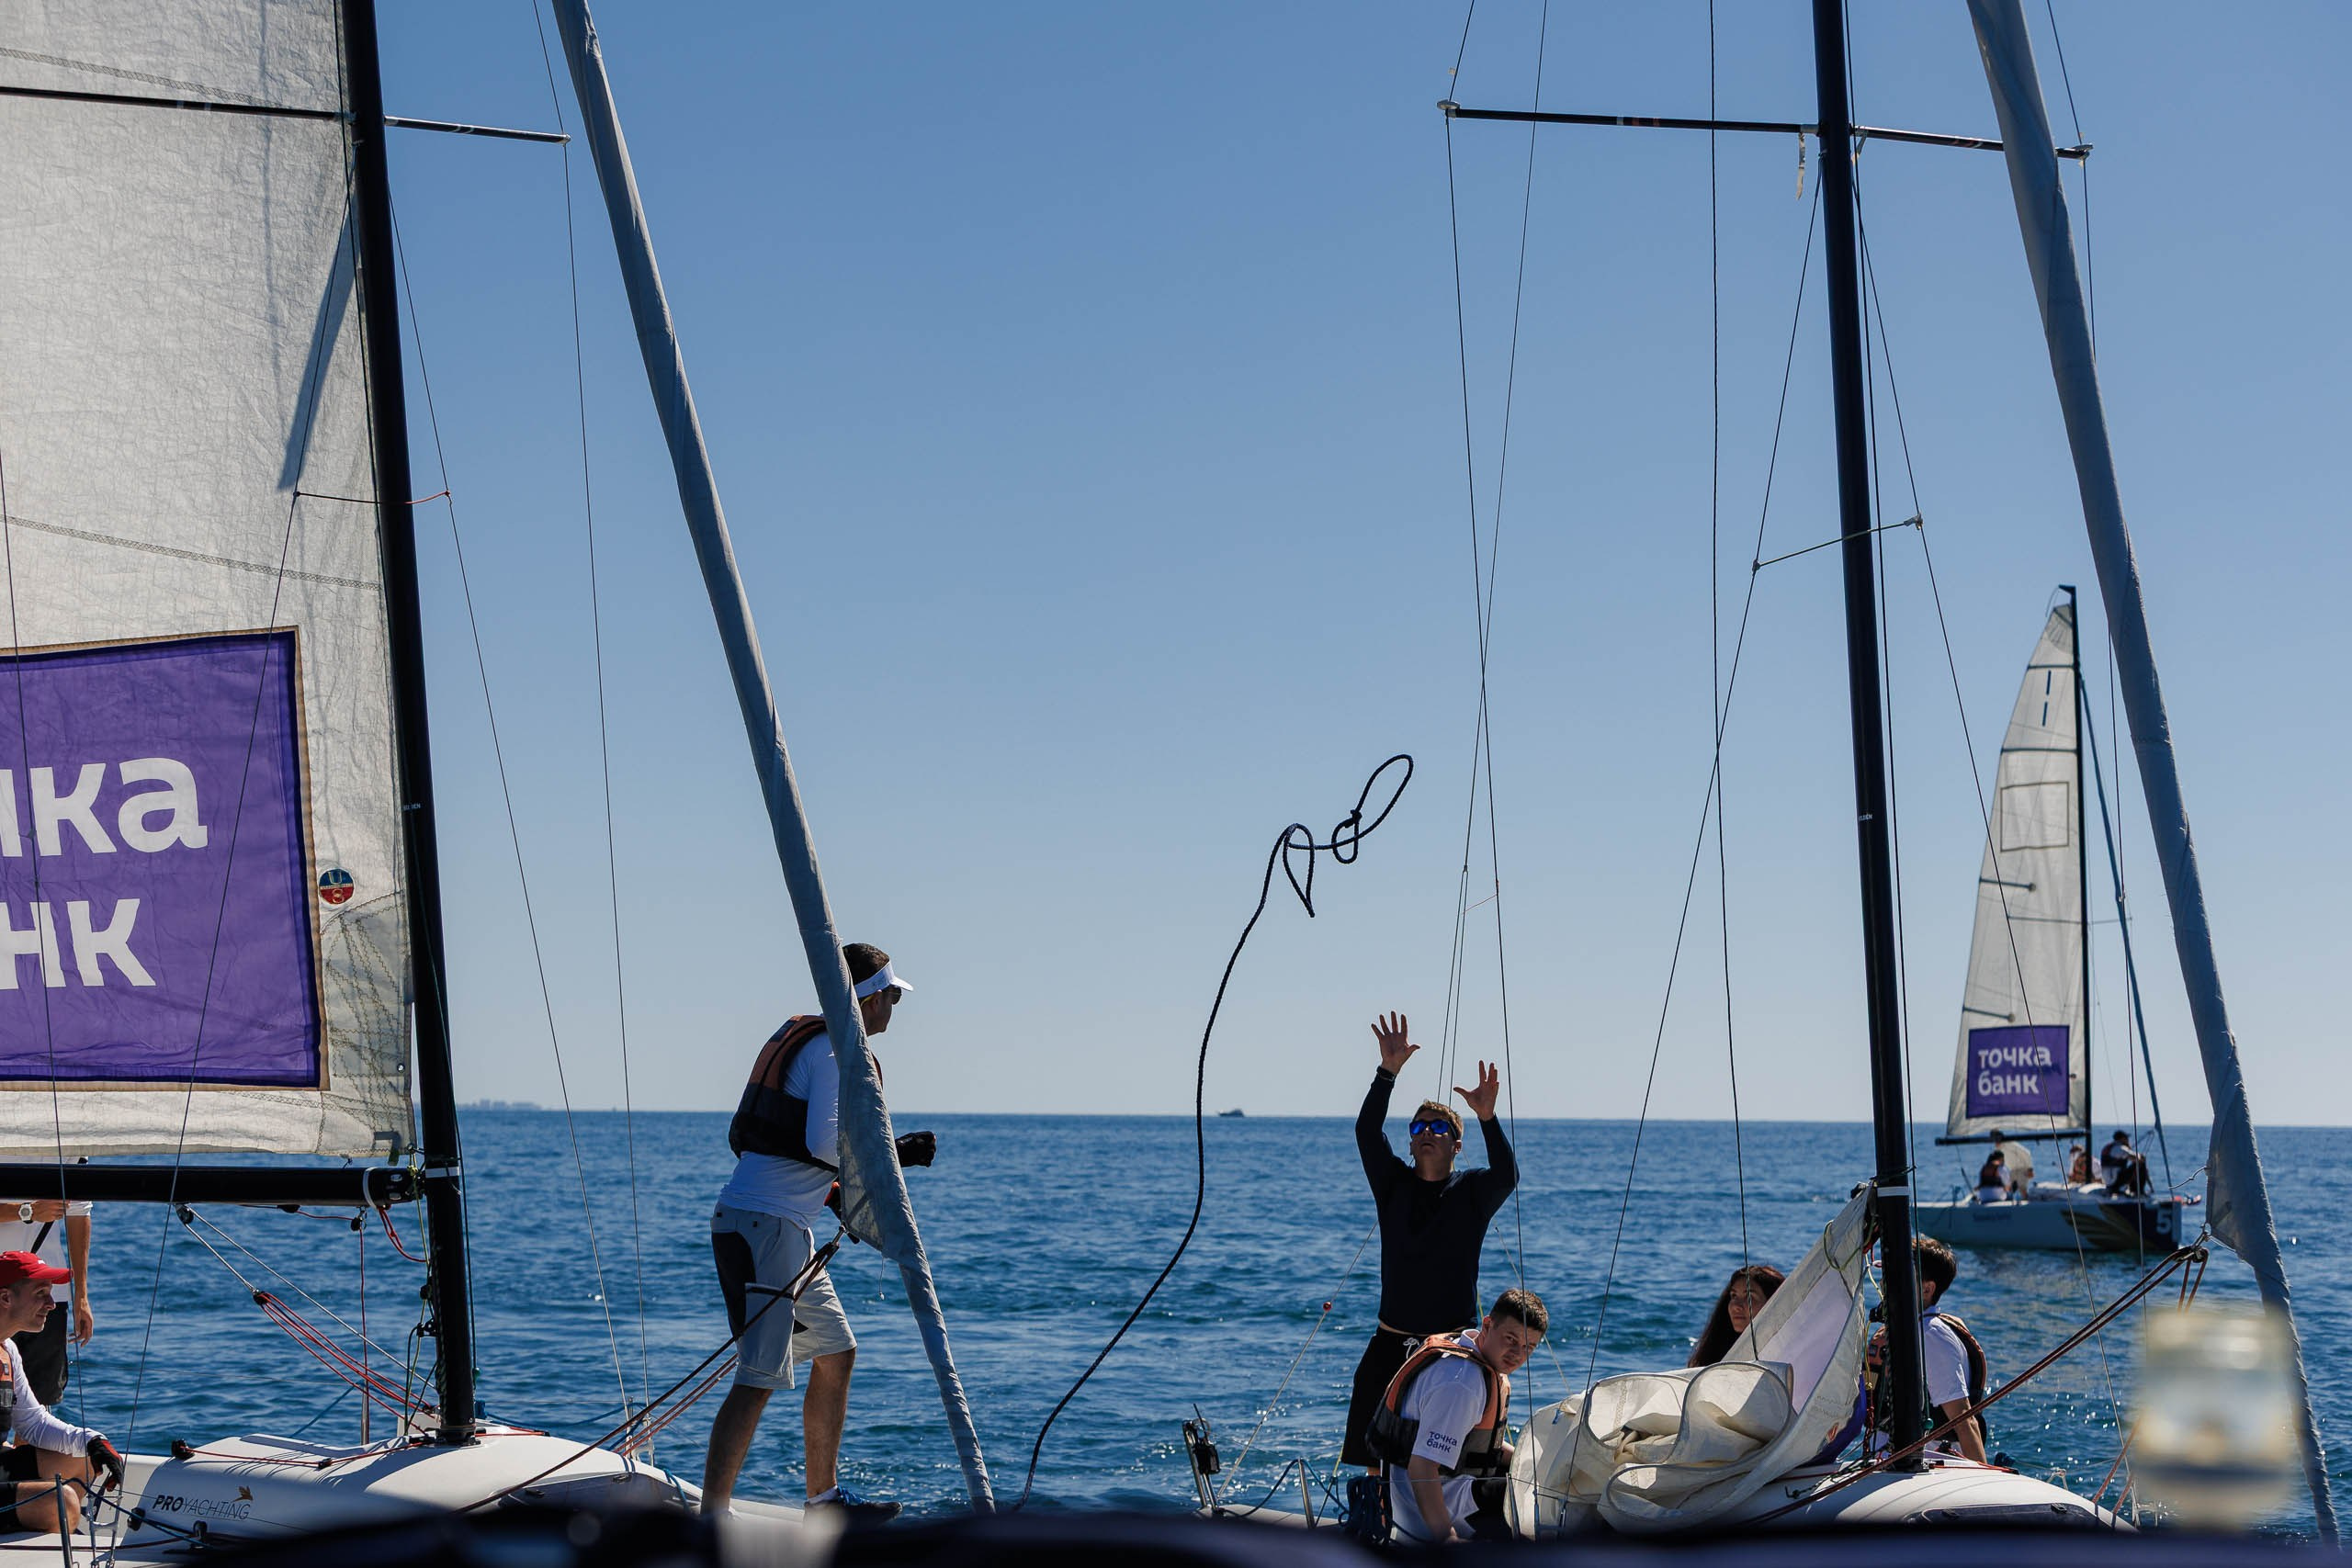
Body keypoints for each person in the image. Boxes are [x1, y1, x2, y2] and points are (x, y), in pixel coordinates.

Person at [699, 943, 936, 1522]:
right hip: (764, 1232)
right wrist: (892, 1155)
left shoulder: (831, 1048)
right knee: (757, 1377)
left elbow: (808, 1161)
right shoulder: (834, 1052)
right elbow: (825, 1146)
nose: (896, 1008)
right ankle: (712, 1518)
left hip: (781, 1229)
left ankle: (823, 1501)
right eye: (895, 997)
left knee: (835, 1353)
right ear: (874, 998)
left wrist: (839, 1196)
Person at [1341, 1012, 1518, 1472]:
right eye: (1418, 1128)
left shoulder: (1473, 1192)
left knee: (1443, 1459)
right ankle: (1376, 1526)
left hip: (1451, 1350)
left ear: (1457, 1145)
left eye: (1439, 1128)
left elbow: (1507, 1174)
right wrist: (1388, 1073)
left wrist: (1487, 1116)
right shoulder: (1393, 1185)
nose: (1426, 1134)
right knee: (1373, 1454)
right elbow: (1366, 1133)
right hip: (1391, 1340)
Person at [1366, 1288, 1547, 1545]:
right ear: (1488, 1325)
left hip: (1453, 1487)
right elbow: (1422, 1467)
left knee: (1545, 1479)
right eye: (1510, 1339)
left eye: (1528, 1347)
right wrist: (1447, 1539)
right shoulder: (1461, 1384)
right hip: (1432, 1510)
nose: (1517, 1354)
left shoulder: (1468, 1353)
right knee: (1544, 1506)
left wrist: (1541, 1463)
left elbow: (1474, 1446)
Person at [0, 1252, 123, 1536]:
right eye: (41, 1294)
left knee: (83, 1461)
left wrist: (93, 1441)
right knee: (62, 1501)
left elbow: (33, 1424)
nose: (52, 1304)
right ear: (6, 1298)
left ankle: (44, 1534)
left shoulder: (8, 1351)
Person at [1869, 1235, 1989, 1463]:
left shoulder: (1930, 1336)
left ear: (1927, 1289)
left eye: (1898, 1275)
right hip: (1885, 1463)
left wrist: (1984, 1481)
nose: (1885, 1283)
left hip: (1926, 1468)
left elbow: (1964, 1422)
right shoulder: (1902, 1332)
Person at [0, 1201, 93, 1407]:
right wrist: (27, 1211)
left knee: (38, 1404)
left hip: (46, 1286)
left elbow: (79, 1211)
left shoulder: (49, 1301)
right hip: (11, 1290)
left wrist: (81, 1295)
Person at [1688, 1264, 1784, 1367]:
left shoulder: (1784, 1352)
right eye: (1734, 1296)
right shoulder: (1715, 1355)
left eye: (1749, 1297)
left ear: (1772, 1303)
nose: (1736, 1306)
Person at [2099, 1130, 2147, 1197]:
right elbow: (2136, 1158)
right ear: (2122, 1139)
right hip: (2115, 1181)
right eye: (2126, 1138)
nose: (2128, 1140)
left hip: (2108, 1181)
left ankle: (2128, 1189)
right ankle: (2138, 1192)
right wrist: (2139, 1155)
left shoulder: (2110, 1147)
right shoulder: (2119, 1148)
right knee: (2141, 1163)